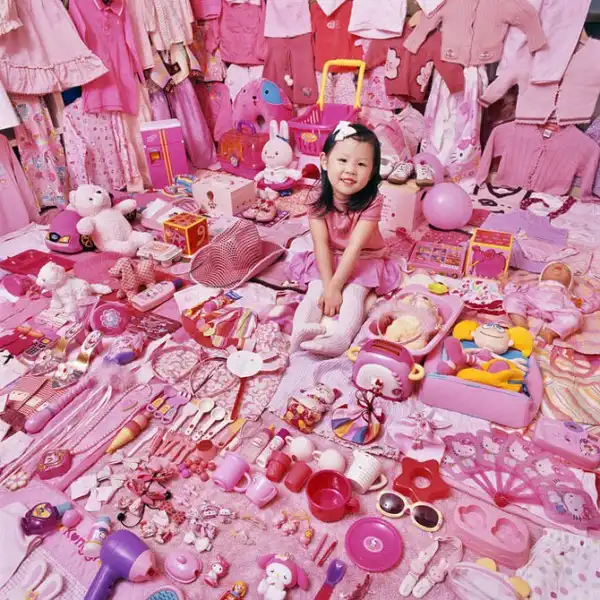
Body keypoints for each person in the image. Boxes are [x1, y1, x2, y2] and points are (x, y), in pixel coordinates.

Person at [287, 121, 400, 356]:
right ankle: (300, 332)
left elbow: (355, 248)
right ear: (325, 161)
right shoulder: (317, 196)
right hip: (329, 253)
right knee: (315, 288)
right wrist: (329, 286)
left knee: (354, 293)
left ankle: (341, 339)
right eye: (343, 160)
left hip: (364, 256)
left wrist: (337, 288)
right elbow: (320, 243)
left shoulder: (373, 201)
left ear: (372, 172)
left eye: (361, 164)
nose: (350, 170)